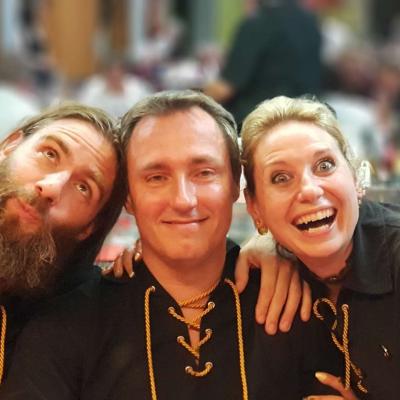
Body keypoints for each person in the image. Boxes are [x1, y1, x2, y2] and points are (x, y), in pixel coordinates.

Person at [0, 90, 337, 399]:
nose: (183, 200)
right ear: (130, 198)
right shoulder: (66, 324)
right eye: (156, 177)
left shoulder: (303, 304)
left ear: (235, 183)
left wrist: (276, 244)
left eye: (204, 172)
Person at [241, 95, 400, 399]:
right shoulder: (265, 277)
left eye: (324, 165)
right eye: (281, 178)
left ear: (355, 177)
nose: (309, 190)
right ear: (254, 207)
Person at [0, 102, 127, 381]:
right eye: (49, 154)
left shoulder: (74, 320)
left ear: (89, 227)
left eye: (83, 188)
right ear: (9, 145)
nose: (51, 188)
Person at [204, 0, 321, 127]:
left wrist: (194, 98)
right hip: (304, 121)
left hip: (258, 122)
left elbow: (226, 88)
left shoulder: (257, 24)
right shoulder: (311, 23)